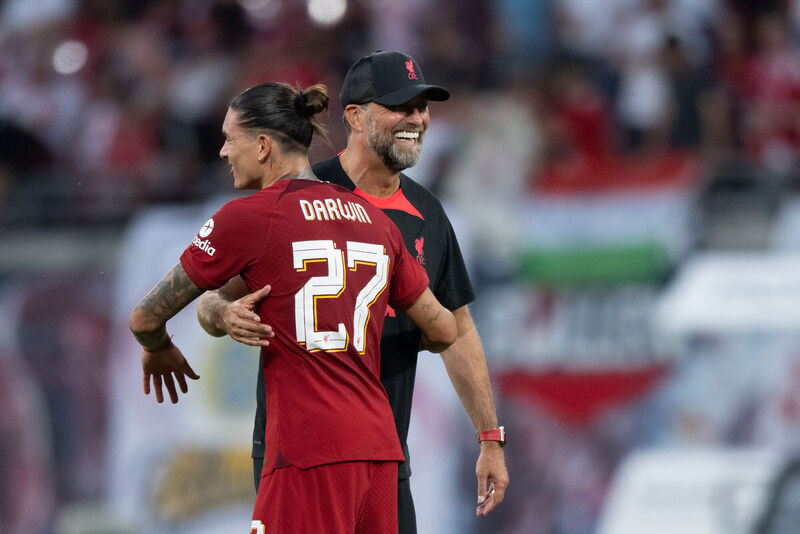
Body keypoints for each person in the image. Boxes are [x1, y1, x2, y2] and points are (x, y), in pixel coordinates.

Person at [197, 50, 509, 529]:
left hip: (383, 459)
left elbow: (458, 332)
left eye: (423, 107)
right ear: (355, 117)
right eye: (401, 107)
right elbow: (213, 294)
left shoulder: (429, 215)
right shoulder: (299, 192)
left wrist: (489, 437)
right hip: (299, 456)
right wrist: (221, 312)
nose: (418, 119)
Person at [128, 81, 458, 534]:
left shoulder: (249, 219)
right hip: (380, 452)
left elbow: (145, 317)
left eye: (231, 139)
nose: (223, 152)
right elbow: (442, 330)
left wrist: (157, 345)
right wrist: (222, 314)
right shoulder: (376, 222)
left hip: (307, 452)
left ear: (263, 146)